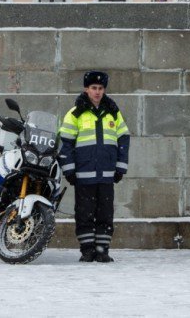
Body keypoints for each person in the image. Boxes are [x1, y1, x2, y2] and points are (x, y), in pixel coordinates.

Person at [59, 70, 130, 262]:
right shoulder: (75, 114)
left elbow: (123, 138)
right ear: (86, 89)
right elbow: (65, 143)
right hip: (84, 174)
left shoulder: (113, 113)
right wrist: (69, 170)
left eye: (100, 88)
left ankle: (102, 249)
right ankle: (87, 250)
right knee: (84, 214)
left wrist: (120, 167)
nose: (97, 92)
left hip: (107, 175)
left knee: (105, 213)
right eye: (93, 88)